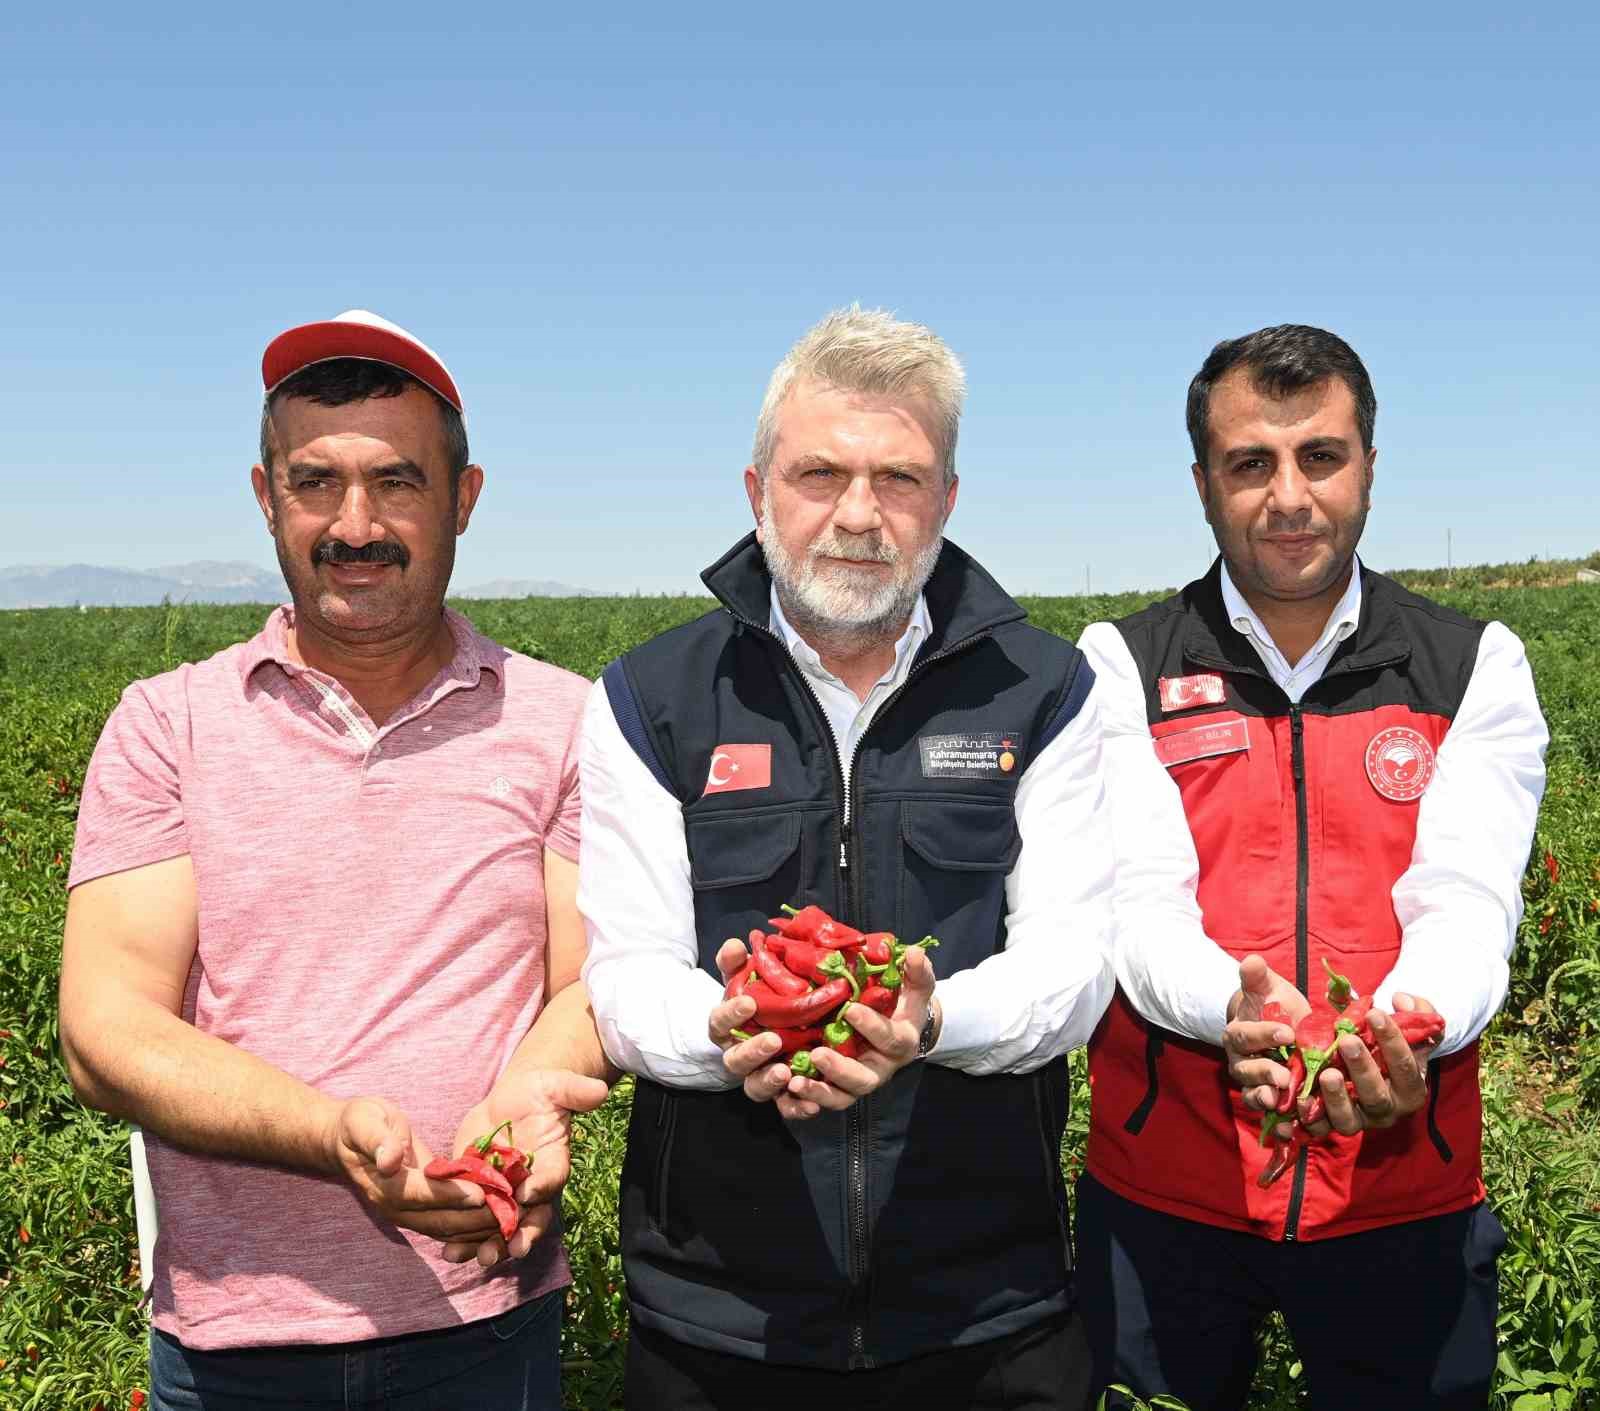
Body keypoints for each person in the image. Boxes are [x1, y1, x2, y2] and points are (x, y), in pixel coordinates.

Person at [59, 309, 611, 1410]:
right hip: (234, 1342)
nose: (354, 524)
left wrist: (526, 1096)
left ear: (464, 498)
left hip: (484, 1319)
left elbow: (592, 981)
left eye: (398, 483)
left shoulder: (564, 721)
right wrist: (333, 1135)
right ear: (267, 498)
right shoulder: (168, 722)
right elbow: (104, 1027)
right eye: (316, 483)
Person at [578, 306, 1115, 1409]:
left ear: (947, 500)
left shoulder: (1044, 690)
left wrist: (928, 1025)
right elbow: (625, 974)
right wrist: (729, 1031)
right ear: (756, 489)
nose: (859, 515)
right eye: (820, 473)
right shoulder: (650, 697)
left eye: (901, 479)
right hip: (720, 1317)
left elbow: (1072, 969)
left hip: (985, 1311)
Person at [1074, 324, 1548, 1410]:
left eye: (1320, 457)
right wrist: (1227, 1012)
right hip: (1166, 1193)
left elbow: (1466, 898)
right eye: (1251, 463)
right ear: (1203, 483)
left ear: (1368, 470)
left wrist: (1397, 1029)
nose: (1288, 495)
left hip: (1403, 1191)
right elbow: (1136, 905)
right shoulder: (1121, 662)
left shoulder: (1472, 662)